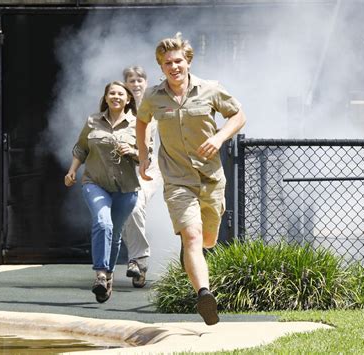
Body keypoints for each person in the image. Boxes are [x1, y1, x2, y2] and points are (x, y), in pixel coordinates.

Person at [136, 34, 246, 325]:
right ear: (161, 67)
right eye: (167, 63)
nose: (173, 67)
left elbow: (239, 115)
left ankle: (193, 248)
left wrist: (220, 137)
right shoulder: (153, 96)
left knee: (207, 238)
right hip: (176, 178)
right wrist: (144, 154)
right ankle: (204, 295)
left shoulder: (210, 89)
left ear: (187, 62)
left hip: (210, 177)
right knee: (193, 236)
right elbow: (142, 120)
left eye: (178, 61)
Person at [65, 81, 140, 303]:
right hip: (95, 182)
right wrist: (72, 172)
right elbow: (81, 148)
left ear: (128, 100)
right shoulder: (93, 121)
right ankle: (99, 273)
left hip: (126, 188)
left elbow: (147, 154)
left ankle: (108, 276)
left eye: (121, 94)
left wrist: (133, 151)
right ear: (106, 97)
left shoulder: (138, 124)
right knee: (103, 223)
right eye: (112, 93)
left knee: (115, 234)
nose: (116, 97)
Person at [121, 66, 163, 288]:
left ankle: (138, 259)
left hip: (151, 167)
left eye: (139, 80)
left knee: (135, 205)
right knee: (128, 211)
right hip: (124, 169)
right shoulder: (120, 108)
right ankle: (138, 263)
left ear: (145, 83)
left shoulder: (155, 106)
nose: (135, 84)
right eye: (131, 80)